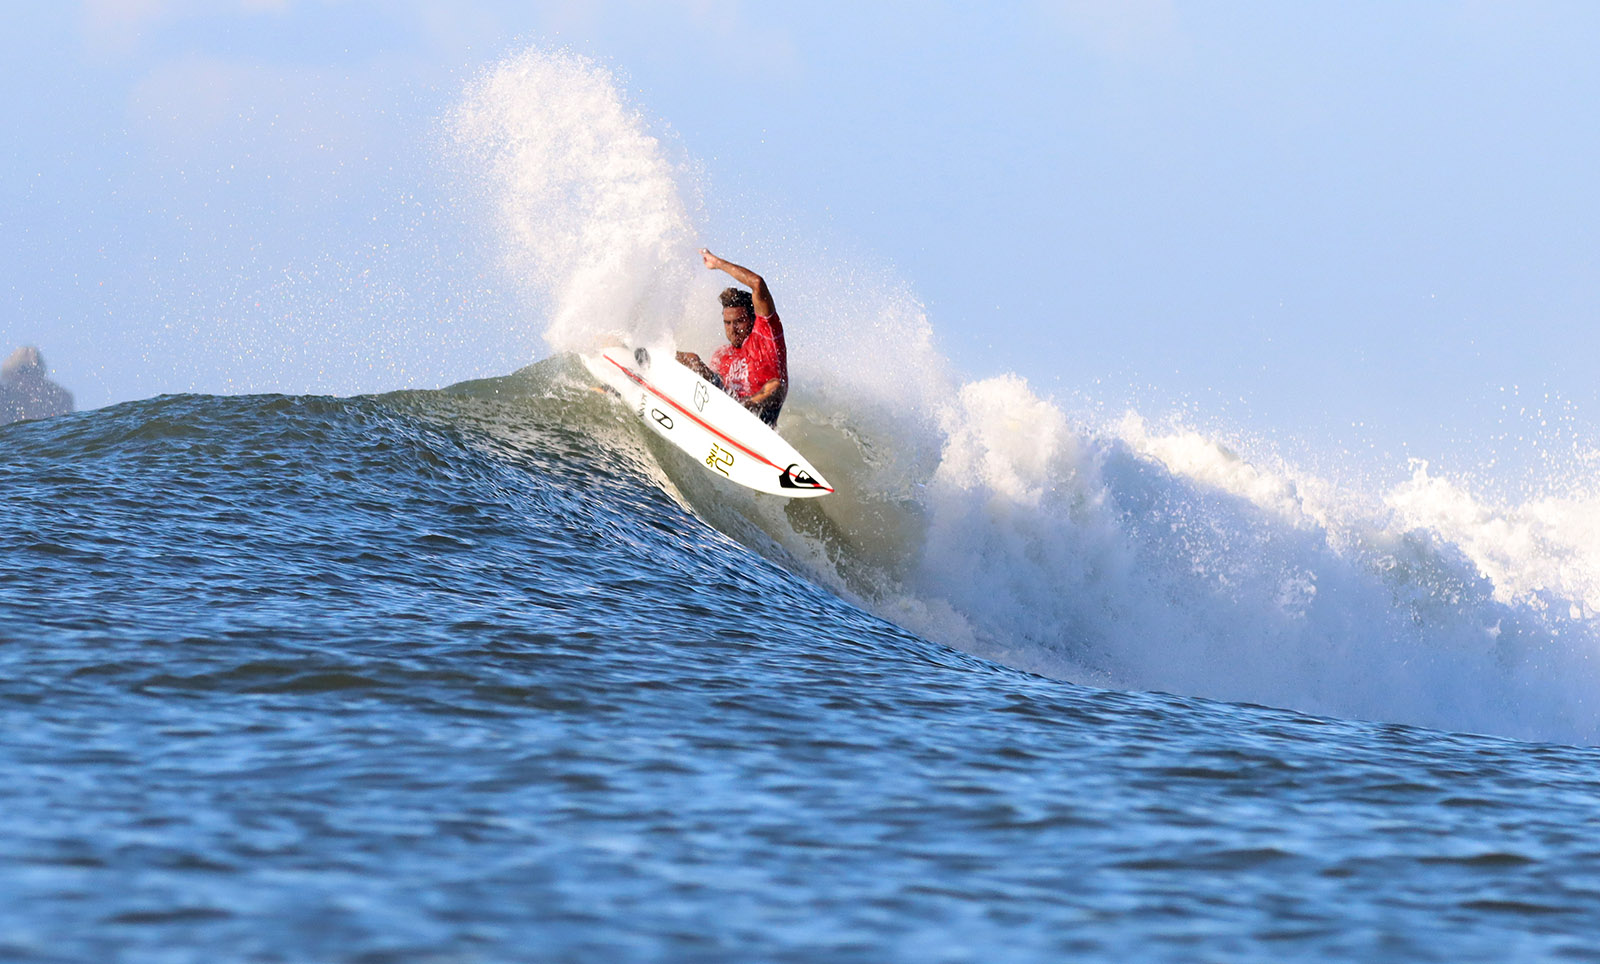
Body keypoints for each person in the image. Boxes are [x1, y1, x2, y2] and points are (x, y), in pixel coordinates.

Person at [675, 249, 788, 426]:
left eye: (739, 322)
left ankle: (739, 410)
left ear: (753, 320)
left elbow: (757, 283)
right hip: (723, 408)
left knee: (776, 386)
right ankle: (644, 354)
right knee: (692, 360)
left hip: (759, 417)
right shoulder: (723, 354)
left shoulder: (766, 336)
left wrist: (718, 263)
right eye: (727, 323)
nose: (732, 329)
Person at [0, 346, 73, 426]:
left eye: (34, 370)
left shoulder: (61, 397)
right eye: (23, 371)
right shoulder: (3, 398)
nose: (28, 377)